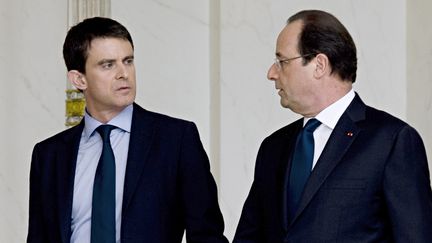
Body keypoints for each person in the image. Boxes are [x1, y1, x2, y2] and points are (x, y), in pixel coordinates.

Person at [234, 9, 432, 242]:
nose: (272, 73)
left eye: (282, 62)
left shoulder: (391, 141)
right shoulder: (273, 147)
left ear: (319, 65)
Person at [27, 17, 228, 243]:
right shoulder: (48, 156)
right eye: (108, 64)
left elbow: (207, 235)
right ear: (79, 79)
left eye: (128, 61)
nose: (124, 73)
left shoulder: (176, 140)